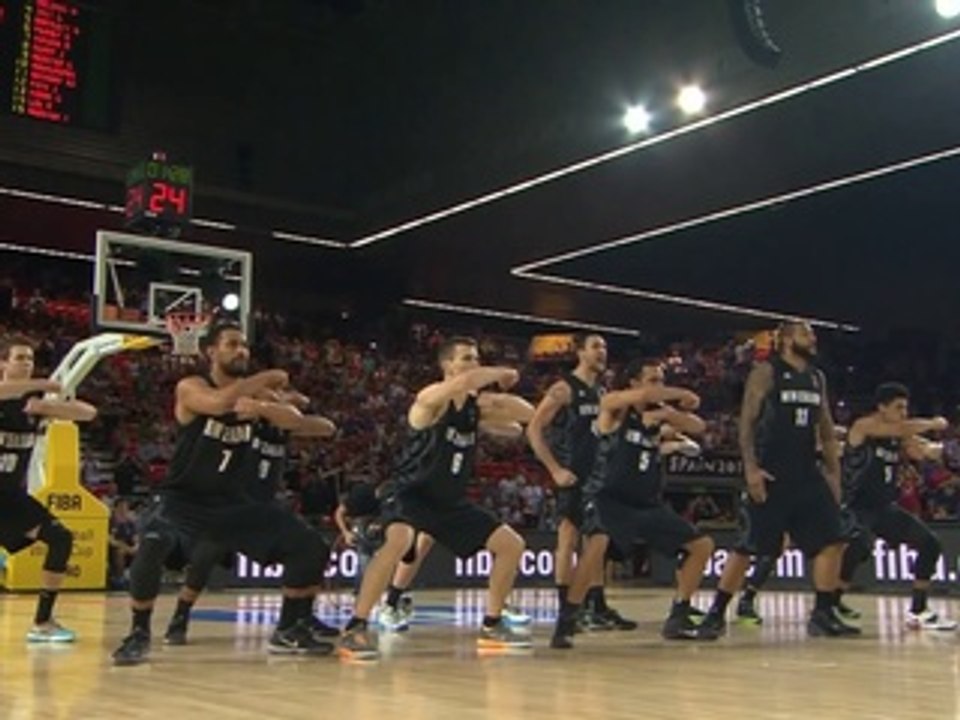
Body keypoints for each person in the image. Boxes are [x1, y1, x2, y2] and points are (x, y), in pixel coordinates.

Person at [112, 322, 334, 665]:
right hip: (183, 499)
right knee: (152, 545)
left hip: (232, 505)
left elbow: (296, 420)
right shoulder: (192, 386)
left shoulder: (255, 397)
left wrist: (262, 407)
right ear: (211, 352)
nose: (241, 351)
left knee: (311, 546)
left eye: (244, 345)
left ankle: (289, 629)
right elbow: (217, 404)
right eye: (232, 344)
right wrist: (267, 378)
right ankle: (139, 631)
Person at [339, 336, 534, 660]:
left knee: (511, 545)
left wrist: (493, 404)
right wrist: (497, 374)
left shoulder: (473, 409)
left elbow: (523, 418)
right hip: (409, 494)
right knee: (400, 539)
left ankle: (492, 624)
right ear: (448, 366)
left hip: (448, 502)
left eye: (477, 358)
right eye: (467, 358)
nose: (475, 364)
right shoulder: (430, 399)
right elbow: (470, 381)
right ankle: (356, 627)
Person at [700, 321, 858, 637]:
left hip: (807, 473)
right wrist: (751, 469)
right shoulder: (767, 372)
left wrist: (834, 475)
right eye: (805, 333)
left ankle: (823, 613)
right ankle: (716, 613)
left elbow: (826, 431)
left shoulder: (816, 377)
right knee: (748, 547)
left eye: (812, 334)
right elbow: (746, 422)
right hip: (771, 471)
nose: (812, 339)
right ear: (786, 339)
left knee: (833, 540)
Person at [551, 358, 716, 648]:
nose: (659, 386)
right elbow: (642, 397)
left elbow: (698, 425)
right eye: (653, 380)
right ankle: (568, 618)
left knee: (701, 546)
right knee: (596, 544)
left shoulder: (657, 419)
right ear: (634, 383)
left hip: (646, 504)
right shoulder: (614, 407)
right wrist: (677, 394)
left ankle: (679, 613)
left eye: (662, 380)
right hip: (607, 498)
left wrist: (668, 412)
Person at [162, 389, 339, 645]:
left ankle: (301, 616)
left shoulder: (281, 423)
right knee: (203, 562)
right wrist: (263, 404)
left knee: (312, 551)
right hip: (233, 504)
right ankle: (180, 617)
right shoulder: (245, 423)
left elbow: (326, 427)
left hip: (262, 506)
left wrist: (276, 406)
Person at [527, 333, 635, 631]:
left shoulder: (603, 393)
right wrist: (554, 469)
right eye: (596, 346)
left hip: (598, 476)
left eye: (605, 347)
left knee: (597, 540)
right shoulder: (563, 389)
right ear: (580, 353)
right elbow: (534, 430)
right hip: (572, 473)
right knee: (568, 537)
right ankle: (566, 610)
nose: (603, 352)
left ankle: (596, 606)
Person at [0, 335, 97, 642]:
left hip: (10, 497)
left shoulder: (34, 405)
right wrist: (42, 385)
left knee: (60, 537)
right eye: (19, 358)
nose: (27, 363)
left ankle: (42, 623)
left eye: (30, 358)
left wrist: (51, 405)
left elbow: (89, 413)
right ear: (3, 363)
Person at [837, 382, 956, 630]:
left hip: (883, 508)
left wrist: (936, 450)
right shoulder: (863, 426)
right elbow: (903, 429)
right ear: (881, 408)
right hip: (855, 506)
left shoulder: (898, 437)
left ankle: (918, 609)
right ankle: (830, 603)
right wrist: (934, 423)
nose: (904, 412)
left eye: (906, 407)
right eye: (898, 407)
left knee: (930, 543)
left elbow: (921, 450)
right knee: (859, 547)